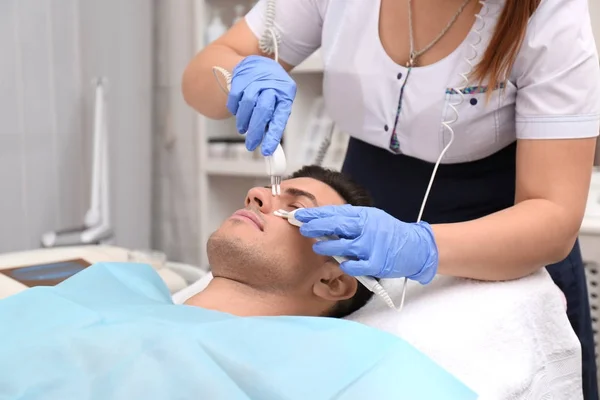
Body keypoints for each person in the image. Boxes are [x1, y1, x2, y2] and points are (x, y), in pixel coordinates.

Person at [181, 0, 600, 398]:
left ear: (334, 280)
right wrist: (237, 73)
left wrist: (419, 246)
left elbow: (552, 214)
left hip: (505, 240)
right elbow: (207, 69)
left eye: (298, 203)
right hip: (361, 200)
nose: (256, 196)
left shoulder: (547, 14)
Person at [185, 165, 375, 317]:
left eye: (295, 207)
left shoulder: (345, 360)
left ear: (332, 282)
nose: (254, 194)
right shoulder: (155, 296)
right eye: (269, 191)